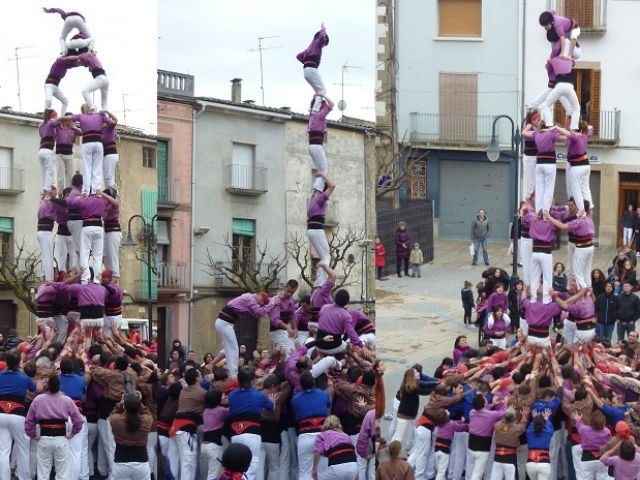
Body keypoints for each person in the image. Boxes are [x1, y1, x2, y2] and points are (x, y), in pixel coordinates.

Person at [25, 373, 84, 480]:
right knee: (63, 475)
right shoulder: (67, 400)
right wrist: (73, 433)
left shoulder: (38, 399)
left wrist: (33, 435)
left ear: (47, 386)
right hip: (61, 438)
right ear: (60, 386)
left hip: (44, 438)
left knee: (42, 474)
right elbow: (79, 420)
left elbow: (29, 421)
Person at [215, 291, 280, 378]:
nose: (260, 306)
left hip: (225, 322)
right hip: (225, 323)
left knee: (228, 348)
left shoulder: (251, 298)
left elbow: (257, 313)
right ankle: (233, 374)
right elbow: (259, 312)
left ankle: (212, 364)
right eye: (261, 304)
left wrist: (273, 300)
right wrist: (272, 303)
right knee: (233, 349)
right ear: (260, 298)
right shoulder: (250, 299)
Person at [228, 366, 276, 480]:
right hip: (251, 432)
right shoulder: (258, 395)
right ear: (251, 380)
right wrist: (273, 402)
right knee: (253, 462)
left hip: (235, 432)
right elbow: (271, 407)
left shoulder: (231, 395)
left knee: (237, 465)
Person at [109, 392, 153, 479]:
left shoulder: (116, 420)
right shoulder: (146, 421)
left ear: (124, 406)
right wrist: (138, 401)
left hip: (121, 462)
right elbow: (147, 412)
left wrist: (121, 402)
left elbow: (114, 413)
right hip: (141, 462)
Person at [71, 105, 108, 196]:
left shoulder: (83, 117)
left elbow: (72, 119)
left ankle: (86, 192)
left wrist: (74, 127)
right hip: (98, 143)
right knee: (97, 168)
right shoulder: (97, 117)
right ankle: (96, 191)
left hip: (87, 142)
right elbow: (108, 122)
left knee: (87, 168)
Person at [307, 172, 335, 287]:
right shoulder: (320, 198)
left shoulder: (311, 201)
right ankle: (321, 282)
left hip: (310, 231)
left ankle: (319, 277)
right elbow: (332, 186)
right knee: (326, 257)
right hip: (317, 230)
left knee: (323, 256)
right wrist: (323, 175)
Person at [312, 415, 358, 480]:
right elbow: (353, 454)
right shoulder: (346, 435)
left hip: (337, 467)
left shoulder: (323, 435)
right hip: (353, 467)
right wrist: (357, 475)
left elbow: (318, 452)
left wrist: (314, 469)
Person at [297, 23, 329, 112]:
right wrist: (323, 29)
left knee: (318, 92)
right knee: (322, 90)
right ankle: (315, 110)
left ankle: (312, 108)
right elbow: (322, 37)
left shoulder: (309, 48)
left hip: (306, 70)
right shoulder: (318, 44)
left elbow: (298, 56)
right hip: (311, 69)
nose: (323, 45)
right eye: (325, 44)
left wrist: (306, 61)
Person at [307, 93, 334, 191]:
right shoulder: (319, 115)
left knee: (322, 169)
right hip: (317, 146)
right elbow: (331, 104)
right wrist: (322, 94)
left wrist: (317, 98)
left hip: (312, 146)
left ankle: (318, 188)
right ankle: (318, 188)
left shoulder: (311, 116)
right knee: (324, 169)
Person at [269, 279, 299, 358]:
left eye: (292, 292)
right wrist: (288, 327)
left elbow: (292, 316)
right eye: (288, 291)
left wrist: (295, 328)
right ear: (285, 287)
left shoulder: (292, 300)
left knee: (293, 353)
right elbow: (274, 320)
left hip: (286, 330)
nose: (289, 294)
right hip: (276, 330)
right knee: (288, 354)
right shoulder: (276, 299)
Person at [53, 113, 82, 192]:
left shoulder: (73, 130)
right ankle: (60, 194)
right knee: (60, 177)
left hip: (69, 154)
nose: (70, 121)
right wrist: (61, 119)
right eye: (69, 119)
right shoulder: (58, 128)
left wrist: (74, 127)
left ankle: (70, 194)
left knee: (71, 176)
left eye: (71, 119)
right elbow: (53, 123)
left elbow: (82, 132)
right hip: (60, 154)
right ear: (64, 119)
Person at [38, 109, 58, 196]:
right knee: (50, 172)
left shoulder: (41, 125)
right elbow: (57, 123)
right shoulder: (51, 123)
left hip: (41, 151)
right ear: (52, 116)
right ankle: (47, 190)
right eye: (55, 116)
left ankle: (43, 189)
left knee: (43, 172)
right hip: (48, 151)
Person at [101, 111, 119, 189]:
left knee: (108, 176)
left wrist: (106, 111)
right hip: (106, 155)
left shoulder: (109, 128)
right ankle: (110, 193)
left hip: (111, 154)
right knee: (107, 177)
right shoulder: (100, 130)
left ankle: (112, 194)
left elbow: (116, 120)